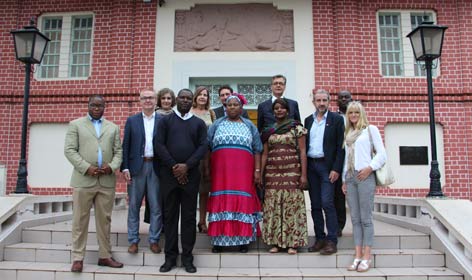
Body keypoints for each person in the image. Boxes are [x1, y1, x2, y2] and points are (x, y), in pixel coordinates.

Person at [64, 95, 123, 273]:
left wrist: (111, 167)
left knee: (104, 221)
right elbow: (69, 150)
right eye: (93, 105)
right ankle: (77, 258)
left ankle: (105, 255)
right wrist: (85, 167)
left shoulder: (112, 128)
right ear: (88, 106)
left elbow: (118, 152)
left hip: (106, 181)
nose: (96, 108)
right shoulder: (76, 124)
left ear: (105, 107)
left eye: (100, 105)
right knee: (79, 220)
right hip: (84, 180)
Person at [155, 89, 208, 274]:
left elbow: (203, 146)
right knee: (170, 218)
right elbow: (158, 144)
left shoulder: (199, 123)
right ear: (177, 99)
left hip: (191, 177)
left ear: (191, 101)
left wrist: (187, 166)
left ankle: (187, 258)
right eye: (182, 97)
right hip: (169, 177)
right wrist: (175, 167)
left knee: (188, 218)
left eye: (188, 98)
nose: (185, 100)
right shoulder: (165, 121)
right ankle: (169, 258)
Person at [207, 94, 263, 254]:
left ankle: (243, 241)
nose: (232, 107)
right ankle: (218, 241)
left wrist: (257, 171)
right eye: (228, 105)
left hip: (243, 175)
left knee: (242, 202)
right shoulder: (216, 125)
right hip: (221, 174)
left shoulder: (249, 126)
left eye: (235, 105)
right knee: (222, 201)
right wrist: (206, 169)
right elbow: (207, 148)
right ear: (225, 107)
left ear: (241, 107)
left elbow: (257, 149)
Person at [342, 101, 386, 272]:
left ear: (362, 114)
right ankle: (357, 255)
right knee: (355, 219)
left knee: (366, 218)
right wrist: (344, 179)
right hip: (351, 177)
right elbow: (347, 158)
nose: (353, 115)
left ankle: (367, 256)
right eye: (351, 113)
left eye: (356, 112)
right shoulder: (349, 133)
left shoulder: (370, 130)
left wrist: (370, 168)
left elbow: (382, 154)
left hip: (365, 176)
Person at [260, 98, 308, 255]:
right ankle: (276, 242)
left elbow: (302, 152)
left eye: (282, 108)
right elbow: (265, 153)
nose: (279, 110)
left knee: (291, 207)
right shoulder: (269, 131)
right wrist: (260, 174)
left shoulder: (296, 128)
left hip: (292, 173)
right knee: (274, 207)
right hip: (273, 174)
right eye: (276, 108)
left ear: (288, 111)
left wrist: (303, 176)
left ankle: (292, 243)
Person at [121, 88, 162, 255]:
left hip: (156, 167)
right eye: (144, 98)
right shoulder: (132, 121)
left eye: (151, 98)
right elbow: (126, 145)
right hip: (137, 168)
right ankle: (133, 241)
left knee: (156, 206)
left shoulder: (162, 121)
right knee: (134, 206)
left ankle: (154, 240)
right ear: (140, 101)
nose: (148, 101)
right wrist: (125, 167)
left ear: (156, 101)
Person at [305, 89, 345, 255]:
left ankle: (332, 240)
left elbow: (340, 147)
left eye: (324, 100)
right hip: (311, 166)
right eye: (318, 100)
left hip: (327, 167)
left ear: (329, 102)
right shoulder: (308, 120)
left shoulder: (336, 119)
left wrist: (336, 168)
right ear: (313, 102)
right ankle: (320, 239)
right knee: (315, 205)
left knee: (327, 202)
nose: (321, 103)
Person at [144, 87, 175, 225]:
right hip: (156, 160)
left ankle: (167, 223)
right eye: (163, 98)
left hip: (171, 161)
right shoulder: (153, 116)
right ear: (159, 100)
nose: (166, 101)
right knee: (155, 194)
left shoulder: (176, 116)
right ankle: (156, 225)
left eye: (169, 98)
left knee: (168, 195)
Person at [190, 86, 215, 234]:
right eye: (200, 94)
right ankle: (190, 220)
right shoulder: (189, 112)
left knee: (205, 190)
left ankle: (202, 221)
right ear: (195, 97)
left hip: (207, 155)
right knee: (192, 191)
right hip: (192, 155)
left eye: (205, 95)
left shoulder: (211, 113)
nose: (203, 97)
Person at [335, 89, 353, 236]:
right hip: (339, 159)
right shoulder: (334, 117)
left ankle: (359, 226)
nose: (344, 99)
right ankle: (339, 226)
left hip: (354, 160)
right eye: (341, 97)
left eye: (347, 97)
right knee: (338, 196)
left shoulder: (356, 116)